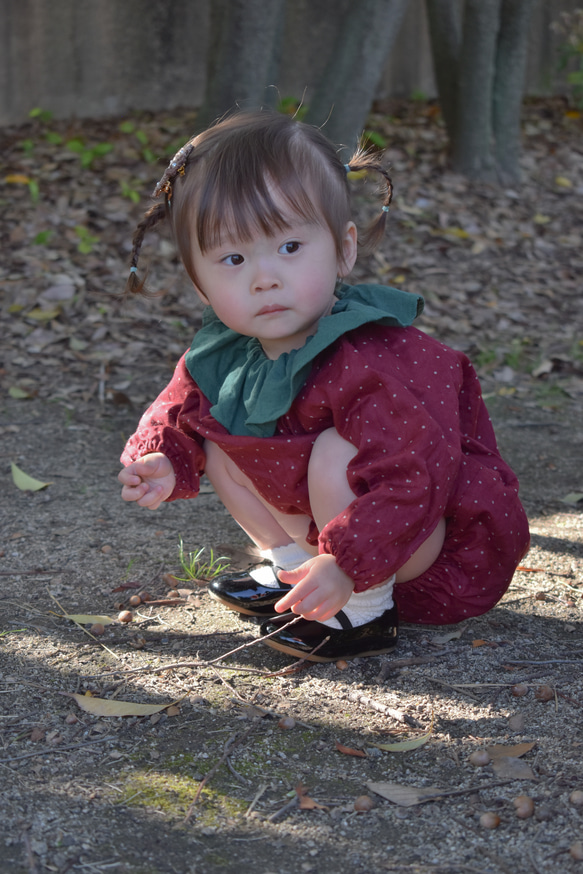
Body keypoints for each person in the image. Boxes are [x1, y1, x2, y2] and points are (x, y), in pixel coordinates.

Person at [118, 110, 529, 662]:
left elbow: (413, 475)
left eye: (290, 247)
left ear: (343, 248)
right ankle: (295, 572)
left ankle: (364, 608)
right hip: (330, 528)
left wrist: (350, 563)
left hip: (414, 536)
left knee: (340, 448)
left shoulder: (371, 360)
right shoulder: (220, 354)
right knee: (215, 438)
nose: (265, 277)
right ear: (200, 283)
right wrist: (163, 459)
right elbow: (179, 410)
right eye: (234, 259)